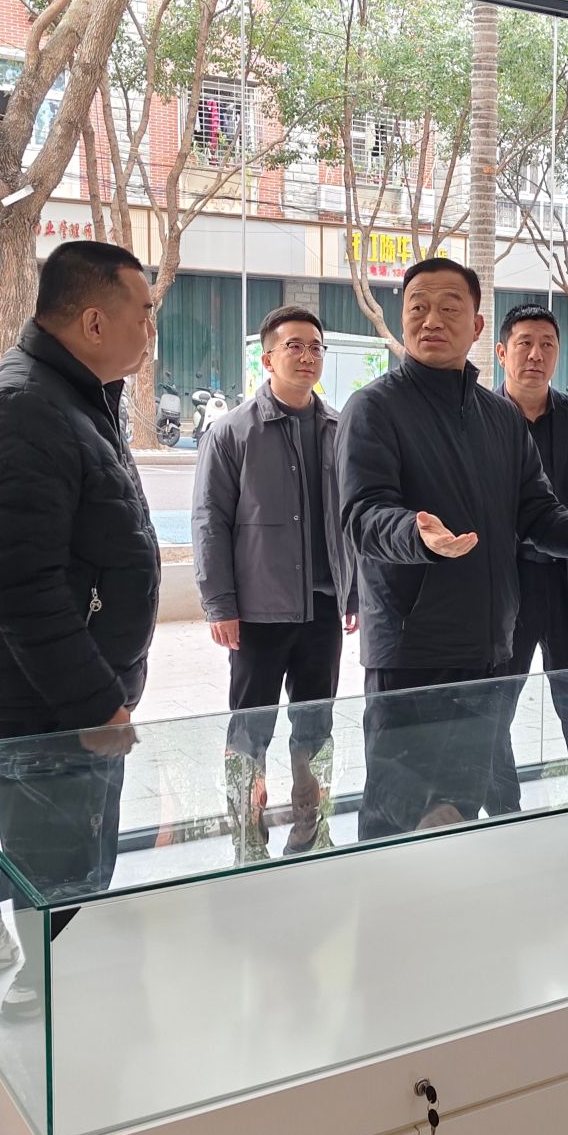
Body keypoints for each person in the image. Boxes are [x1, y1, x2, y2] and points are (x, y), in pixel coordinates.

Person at [337, 257, 568, 837]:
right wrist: (416, 533)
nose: (431, 320)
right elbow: (362, 515)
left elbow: (537, 513)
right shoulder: (374, 408)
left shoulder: (500, 418)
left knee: (461, 812)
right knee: (398, 819)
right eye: (418, 307)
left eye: (449, 308)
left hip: (489, 646)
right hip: (412, 650)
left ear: (475, 325)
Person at [0, 240, 161, 1011]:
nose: (150, 330)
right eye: (144, 313)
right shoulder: (26, 411)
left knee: (75, 862)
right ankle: (50, 1008)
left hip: (67, 695)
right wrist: (94, 705)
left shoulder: (70, 395)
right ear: (95, 322)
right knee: (56, 873)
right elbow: (20, 587)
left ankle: (71, 989)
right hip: (42, 702)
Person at [193, 305, 358, 859]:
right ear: (267, 359)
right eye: (294, 346)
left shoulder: (338, 429)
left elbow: (350, 519)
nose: (307, 356)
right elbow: (209, 521)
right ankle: (247, 838)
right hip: (258, 611)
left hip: (322, 608)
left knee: (316, 726)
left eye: (315, 347)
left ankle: (311, 832)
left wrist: (353, 591)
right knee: (250, 730)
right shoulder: (233, 432)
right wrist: (219, 603)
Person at [487, 304, 568, 809]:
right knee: (494, 712)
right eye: (524, 343)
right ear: (502, 352)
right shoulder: (478, 418)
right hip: (506, 591)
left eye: (547, 344)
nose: (535, 355)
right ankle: (504, 815)